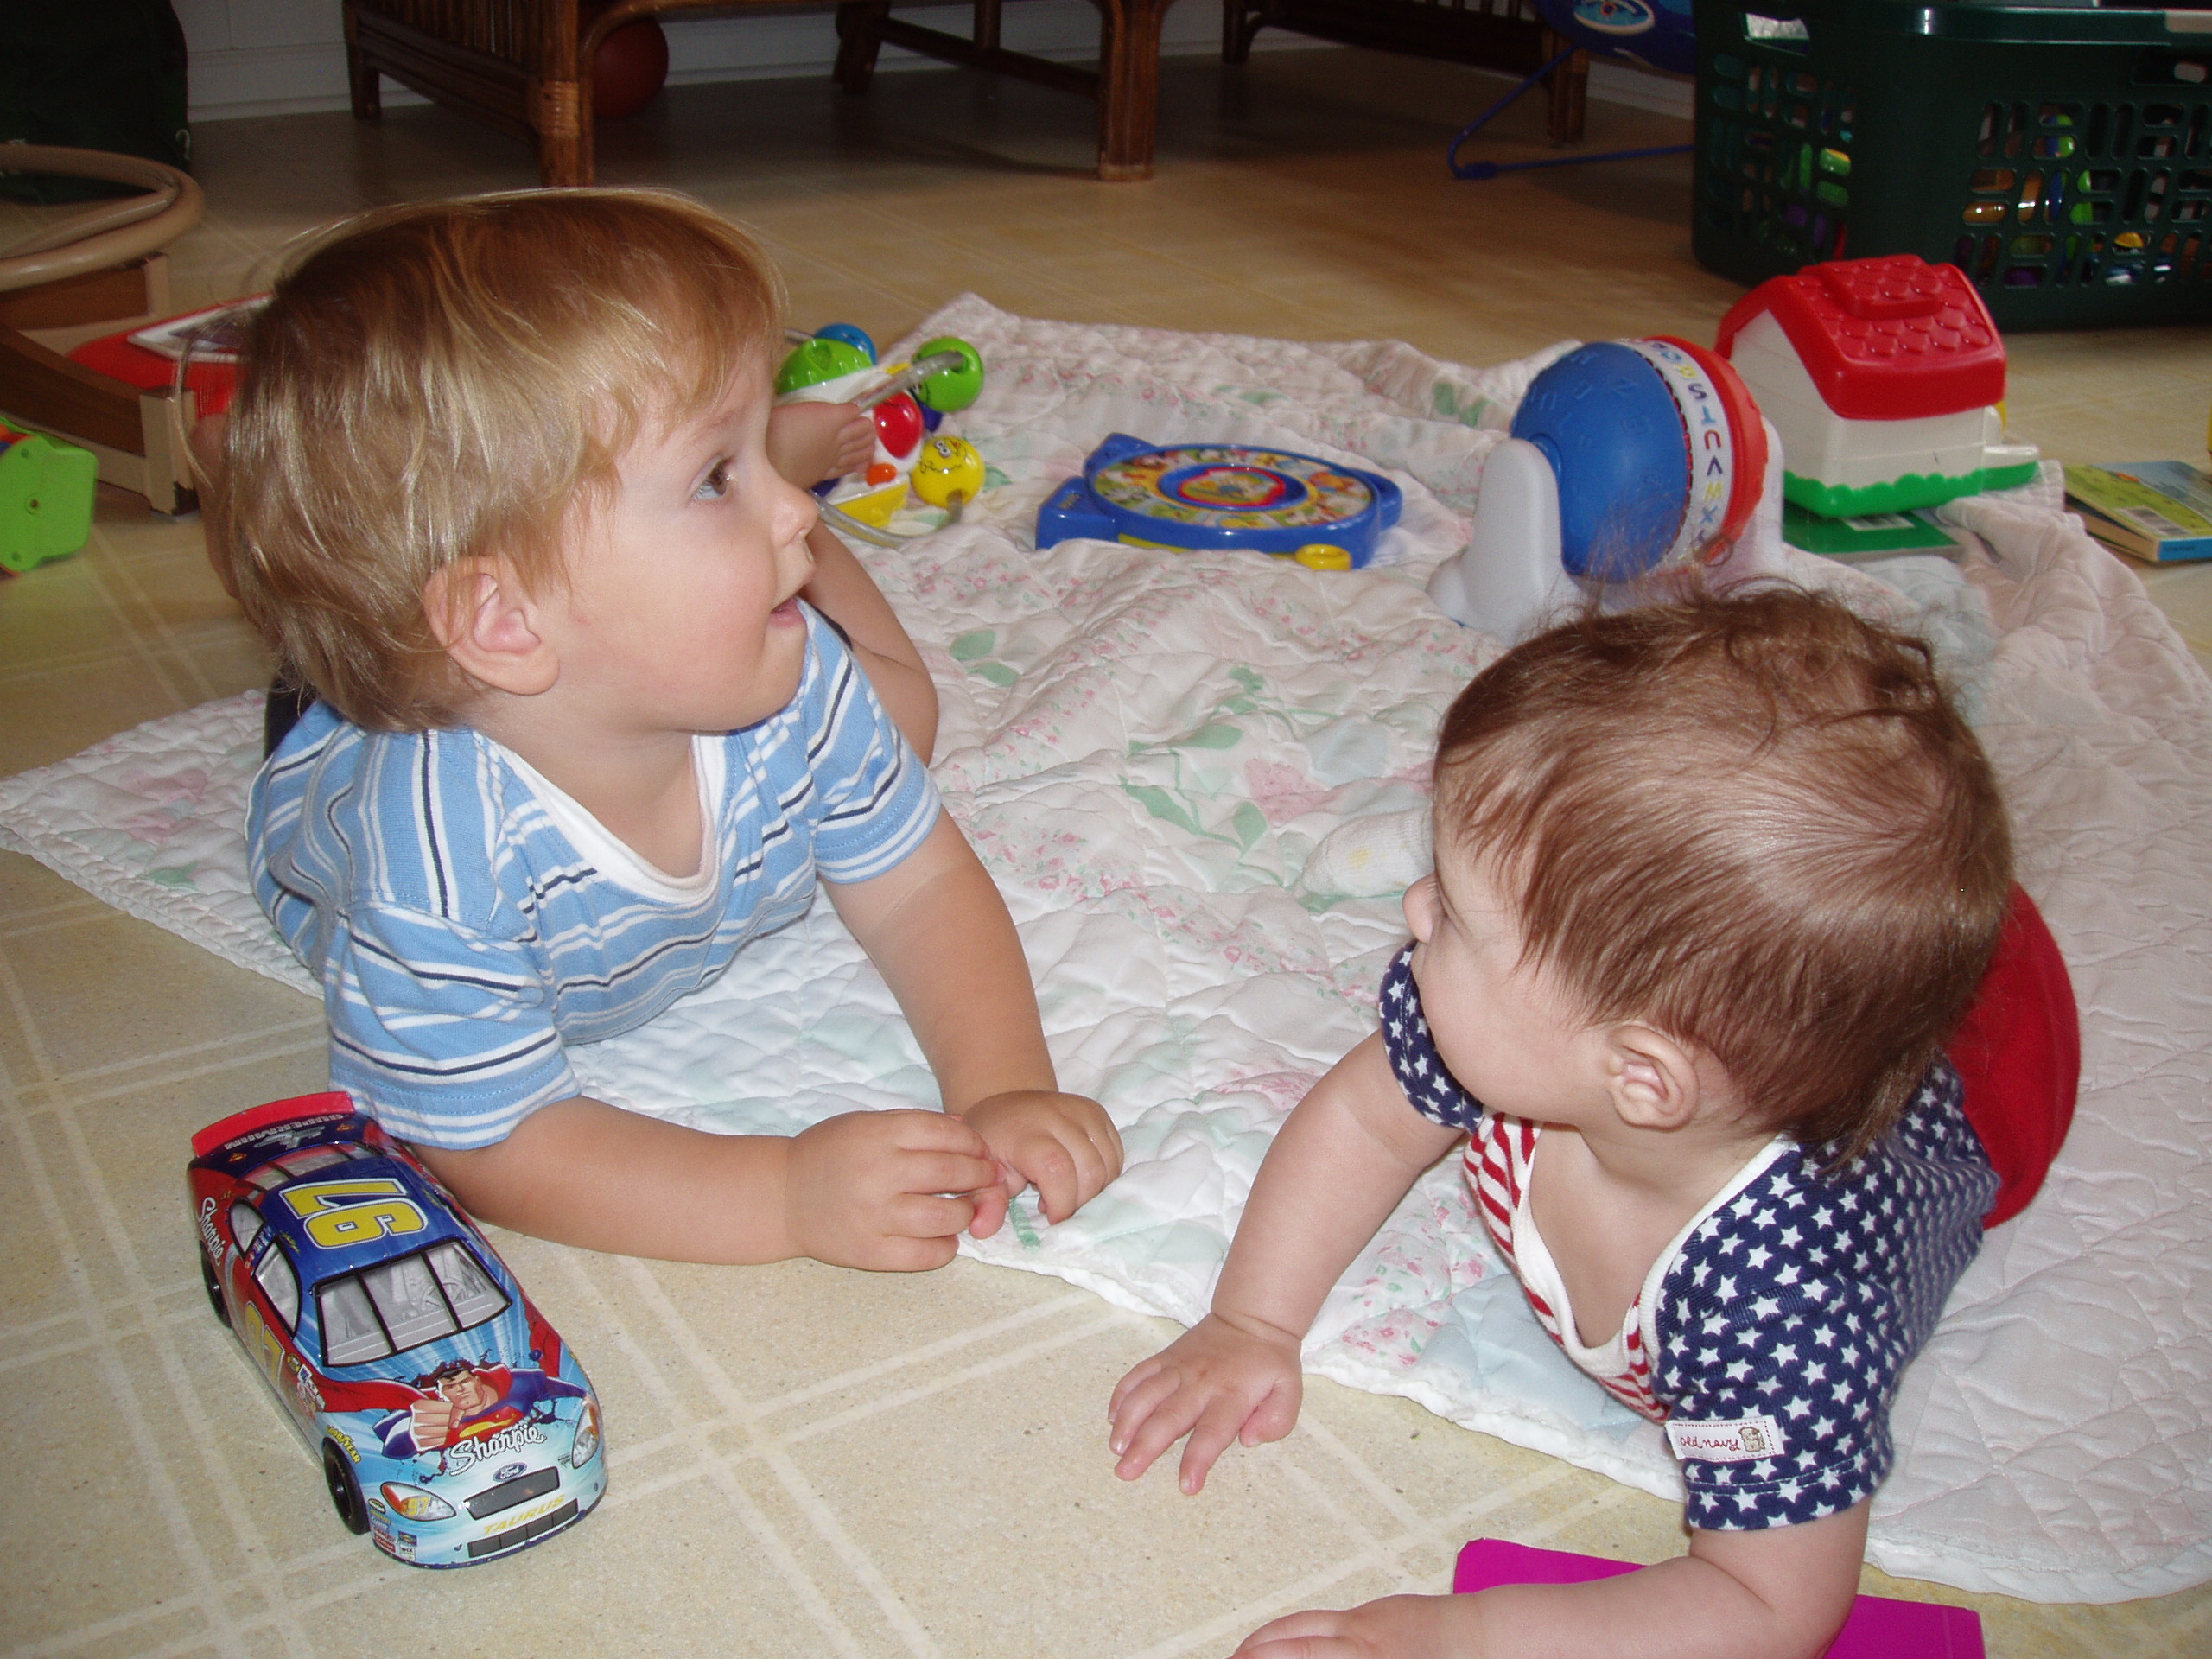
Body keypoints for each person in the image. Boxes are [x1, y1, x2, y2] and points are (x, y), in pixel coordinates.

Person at [1105, 588, 2076, 1659]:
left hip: (1988, 1093)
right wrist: (1253, 1323)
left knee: (1945, 986)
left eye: (1455, 915)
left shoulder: (1785, 1305)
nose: (1413, 910)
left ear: (1639, 1077)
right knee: (1804, 942)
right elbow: (1364, 1125)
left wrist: (1461, 1639)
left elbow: (1769, 1603)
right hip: (1724, 1031)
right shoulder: (1505, 1042)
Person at [219, 189, 1120, 1269]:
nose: (800, 509)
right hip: (337, 746)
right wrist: (783, 1196)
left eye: (757, 459)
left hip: (536, 655)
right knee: (328, 680)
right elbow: (488, 1143)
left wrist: (1001, 1082)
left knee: (888, 692)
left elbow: (916, 879)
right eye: (714, 478)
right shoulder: (431, 859)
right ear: (507, 620)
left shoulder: (795, 672)